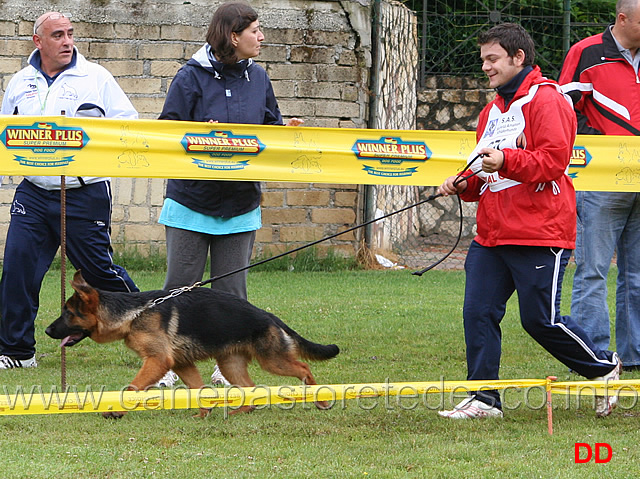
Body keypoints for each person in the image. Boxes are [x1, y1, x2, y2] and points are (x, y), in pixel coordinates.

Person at [436, 23, 621, 419]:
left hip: (540, 231)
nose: (485, 67)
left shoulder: (547, 99)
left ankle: (604, 368)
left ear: (518, 58)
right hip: (492, 234)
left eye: (492, 59)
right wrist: (462, 183)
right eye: (483, 59)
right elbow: (487, 176)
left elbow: (553, 162)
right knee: (479, 312)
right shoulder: (492, 110)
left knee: (541, 321)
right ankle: (484, 398)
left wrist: (507, 160)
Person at [156, 2, 302, 387]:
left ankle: (227, 367)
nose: (262, 37)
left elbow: (269, 128)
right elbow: (166, 131)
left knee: (232, 296)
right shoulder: (189, 77)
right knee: (179, 292)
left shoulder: (260, 78)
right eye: (255, 30)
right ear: (233, 36)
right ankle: (168, 365)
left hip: (240, 205)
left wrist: (287, 129)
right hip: (191, 201)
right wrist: (200, 131)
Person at [0, 12, 139, 369]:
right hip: (33, 191)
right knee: (17, 268)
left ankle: (150, 324)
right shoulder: (20, 81)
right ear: (38, 41)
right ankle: (17, 351)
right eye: (58, 35)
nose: (66, 41)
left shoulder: (95, 78)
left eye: (70, 34)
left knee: (98, 273)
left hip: (83, 191)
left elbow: (128, 123)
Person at [558, 0, 640, 371]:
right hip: (602, 180)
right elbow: (563, 110)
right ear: (622, 19)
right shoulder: (586, 52)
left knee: (637, 273)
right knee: (592, 270)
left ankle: (635, 357)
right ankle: (594, 360)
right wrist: (600, 143)